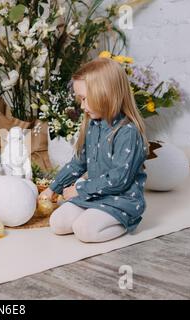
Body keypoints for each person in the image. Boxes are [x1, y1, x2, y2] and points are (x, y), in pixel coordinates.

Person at [39, 57, 149, 243]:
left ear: (105, 94)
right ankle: (94, 213)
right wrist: (53, 188)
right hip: (93, 195)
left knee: (85, 231)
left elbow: (118, 180)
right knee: (57, 223)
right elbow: (78, 163)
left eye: (84, 99)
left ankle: (126, 221)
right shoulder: (93, 124)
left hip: (120, 199)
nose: (81, 106)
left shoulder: (127, 132)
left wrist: (80, 189)